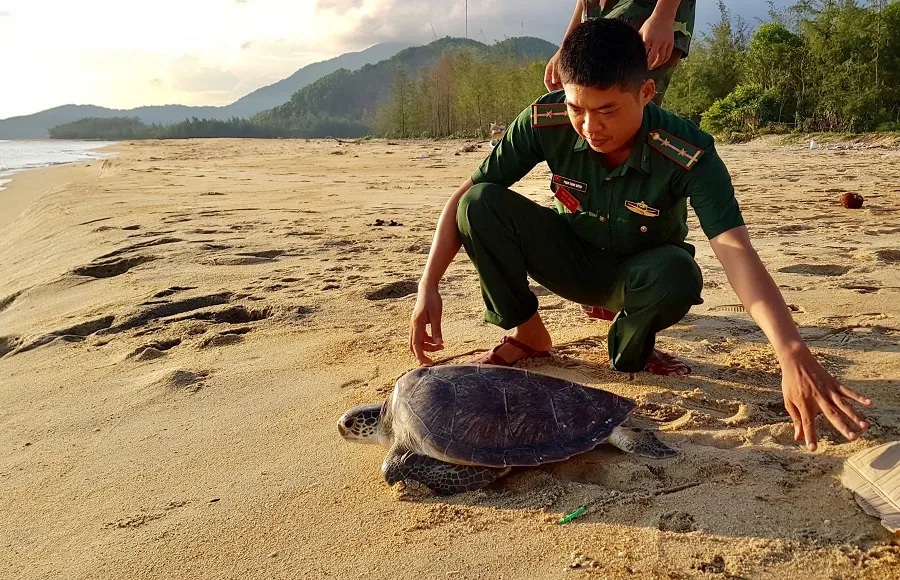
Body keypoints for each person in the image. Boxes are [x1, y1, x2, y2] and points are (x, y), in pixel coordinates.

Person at [407, 18, 872, 452]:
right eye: (577, 109)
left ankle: (630, 342)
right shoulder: (543, 121)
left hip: (639, 276)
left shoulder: (688, 152)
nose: (591, 127)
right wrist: (428, 286)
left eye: (607, 109)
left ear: (646, 91)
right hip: (570, 257)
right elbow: (463, 198)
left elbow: (736, 251)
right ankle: (529, 335)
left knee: (677, 273)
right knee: (480, 203)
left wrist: (790, 350)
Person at [545, 0, 696, 107]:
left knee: (628, 111)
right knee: (589, 108)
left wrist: (664, 15)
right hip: (597, 14)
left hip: (647, 15)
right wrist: (567, 45)